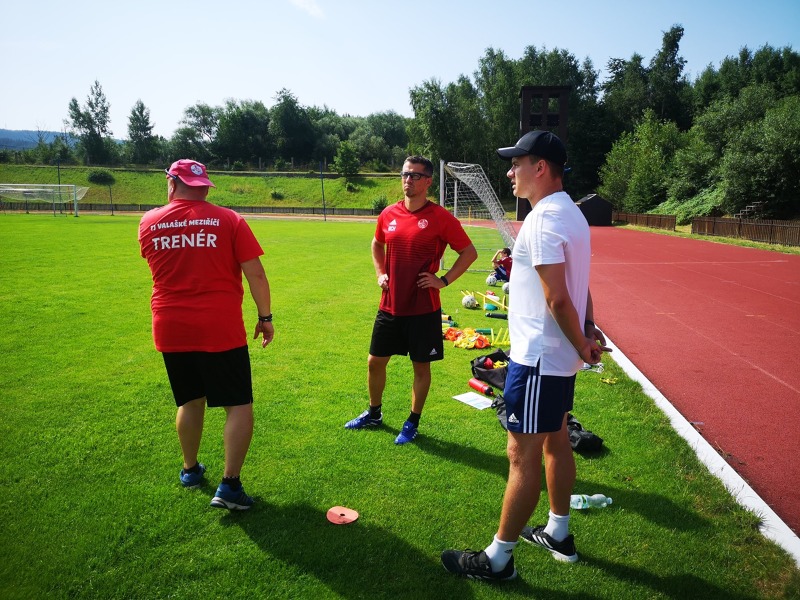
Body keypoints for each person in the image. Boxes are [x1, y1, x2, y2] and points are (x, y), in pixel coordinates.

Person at [442, 131, 609, 580]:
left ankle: (498, 559)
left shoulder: (543, 219)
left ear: (541, 167)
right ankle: (558, 531)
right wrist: (587, 329)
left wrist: (583, 341)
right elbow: (578, 284)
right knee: (556, 440)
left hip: (537, 359)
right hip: (555, 359)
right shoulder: (571, 213)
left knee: (521, 454)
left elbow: (558, 297)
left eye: (517, 163)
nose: (510, 172)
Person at [139, 159, 274, 511]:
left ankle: (190, 469)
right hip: (219, 328)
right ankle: (230, 485)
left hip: (171, 327)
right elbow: (256, 274)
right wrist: (265, 317)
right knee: (238, 404)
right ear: (204, 187)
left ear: (172, 184)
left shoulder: (148, 222)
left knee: (189, 400)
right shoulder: (229, 220)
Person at [345, 156, 478, 444]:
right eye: (405, 174)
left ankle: (412, 422)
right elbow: (376, 243)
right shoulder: (388, 214)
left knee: (421, 367)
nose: (408, 180)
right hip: (390, 304)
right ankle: (374, 413)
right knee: (374, 362)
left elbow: (469, 252)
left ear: (428, 181)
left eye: (415, 176)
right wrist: (380, 273)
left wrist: (443, 280)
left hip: (423, 308)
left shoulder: (441, 217)